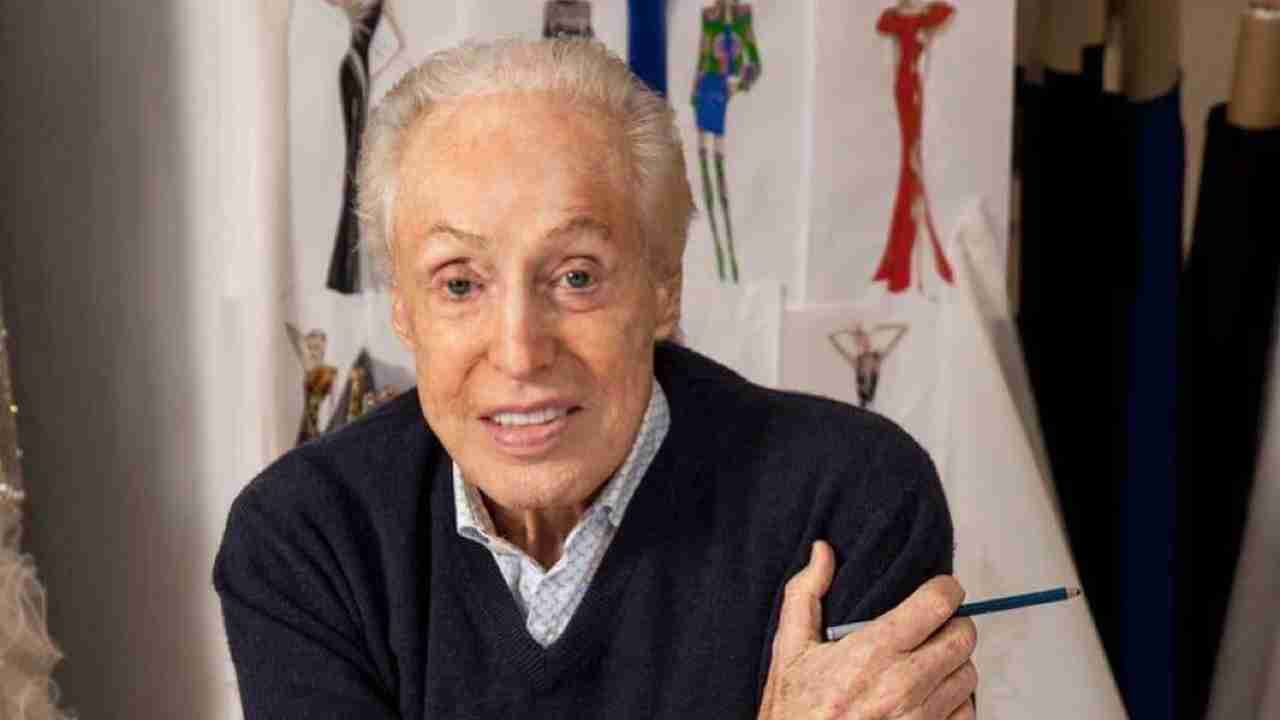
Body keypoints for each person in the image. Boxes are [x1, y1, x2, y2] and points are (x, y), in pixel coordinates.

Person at [213, 38, 977, 719]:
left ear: (663, 288)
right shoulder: (307, 537)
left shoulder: (849, 497)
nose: (519, 353)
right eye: (459, 284)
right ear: (404, 311)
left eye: (576, 276)